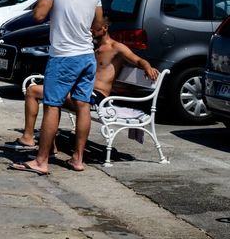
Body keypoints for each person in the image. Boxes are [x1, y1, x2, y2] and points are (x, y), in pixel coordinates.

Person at [8, 15, 160, 157]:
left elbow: (138, 60)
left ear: (105, 27)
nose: (90, 30)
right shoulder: (91, 48)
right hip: (83, 92)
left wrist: (148, 67)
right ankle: (43, 142)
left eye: (93, 27)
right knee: (40, 92)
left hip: (97, 97)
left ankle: (32, 139)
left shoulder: (116, 47)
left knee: (40, 93)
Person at [10, 0, 103, 176]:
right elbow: (98, 26)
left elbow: (39, 15)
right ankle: (78, 159)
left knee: (52, 105)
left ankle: (41, 160)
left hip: (63, 56)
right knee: (82, 105)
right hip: (87, 55)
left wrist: (46, 9)